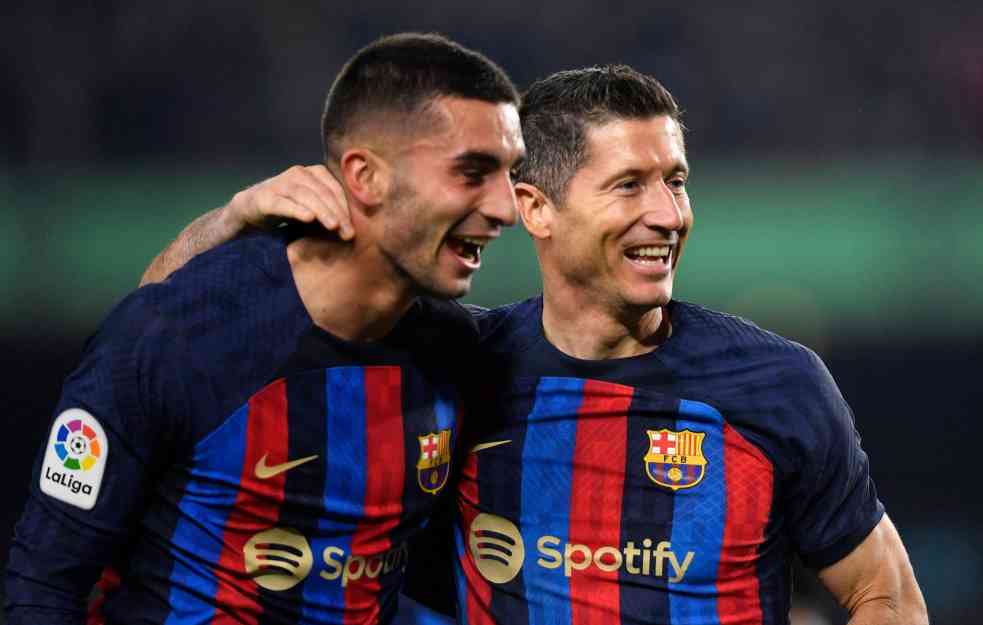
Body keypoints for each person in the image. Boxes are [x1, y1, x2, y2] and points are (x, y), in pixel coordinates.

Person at [131, 66, 929, 624]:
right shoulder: (459, 365)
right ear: (534, 209)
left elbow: (885, 595)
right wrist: (234, 220)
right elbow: (157, 337)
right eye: (629, 185)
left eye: (676, 180)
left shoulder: (776, 383)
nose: (667, 214)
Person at [4, 32, 524, 625]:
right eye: (472, 172)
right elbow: (42, 588)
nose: (505, 208)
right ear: (365, 176)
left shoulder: (456, 351)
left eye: (511, 174)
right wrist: (227, 220)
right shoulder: (182, 336)